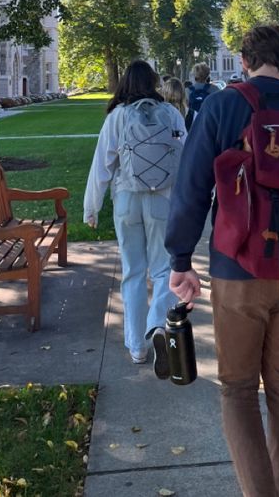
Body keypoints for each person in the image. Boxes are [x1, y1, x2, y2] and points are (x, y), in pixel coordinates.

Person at [165, 24, 279, 497]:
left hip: (238, 266)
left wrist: (181, 258)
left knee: (238, 390)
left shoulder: (224, 106)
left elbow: (192, 187)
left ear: (245, 61)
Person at [83, 60, 186, 371]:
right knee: (163, 270)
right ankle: (157, 324)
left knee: (132, 272)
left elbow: (102, 164)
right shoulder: (171, 113)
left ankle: (136, 346)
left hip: (127, 200)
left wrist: (92, 207)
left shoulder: (117, 116)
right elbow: (186, 155)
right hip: (162, 201)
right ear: (154, 82)